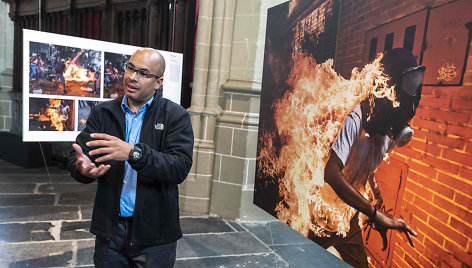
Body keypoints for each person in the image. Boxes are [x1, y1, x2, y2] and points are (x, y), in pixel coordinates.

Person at [68, 48, 194, 267]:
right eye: (131, 68)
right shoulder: (103, 112)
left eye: (143, 73)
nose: (132, 77)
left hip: (155, 235)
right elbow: (79, 155)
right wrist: (81, 168)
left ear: (158, 82)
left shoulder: (175, 116)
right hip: (110, 231)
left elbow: (179, 168)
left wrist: (134, 153)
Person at [309, 48, 425, 267]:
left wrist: (377, 201)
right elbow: (332, 172)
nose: (410, 99)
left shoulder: (389, 136)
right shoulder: (357, 117)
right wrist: (373, 212)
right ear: (388, 87)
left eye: (415, 88)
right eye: (407, 87)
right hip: (322, 220)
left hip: (348, 219)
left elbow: (367, 168)